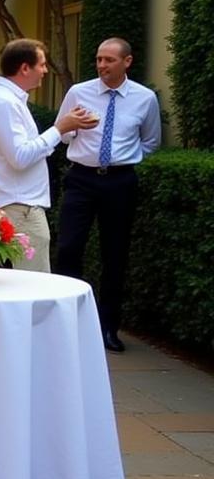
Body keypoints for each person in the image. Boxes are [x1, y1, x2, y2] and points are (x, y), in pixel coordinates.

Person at [54, 37, 161, 352]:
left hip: (119, 182)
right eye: (99, 59)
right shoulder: (79, 92)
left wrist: (120, 158)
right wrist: (75, 128)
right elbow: (62, 134)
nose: (101, 65)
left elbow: (151, 141)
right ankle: (66, 323)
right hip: (81, 179)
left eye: (109, 60)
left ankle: (108, 329)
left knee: (115, 255)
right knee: (69, 248)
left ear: (127, 62)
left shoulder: (144, 98)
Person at [0, 39, 99, 272]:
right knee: (35, 285)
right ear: (24, 68)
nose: (45, 71)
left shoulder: (4, 99)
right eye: (41, 65)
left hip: (14, 202)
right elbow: (20, 157)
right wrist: (59, 129)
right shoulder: (4, 102)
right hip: (21, 207)